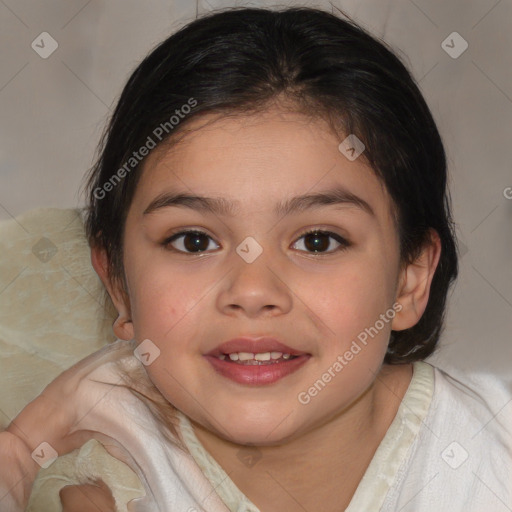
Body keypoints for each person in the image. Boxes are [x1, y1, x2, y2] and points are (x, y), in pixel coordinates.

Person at [1, 6, 510, 512]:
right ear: (116, 280)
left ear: (409, 279)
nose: (251, 291)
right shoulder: (96, 471)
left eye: (317, 241)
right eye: (194, 242)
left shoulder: (491, 450)